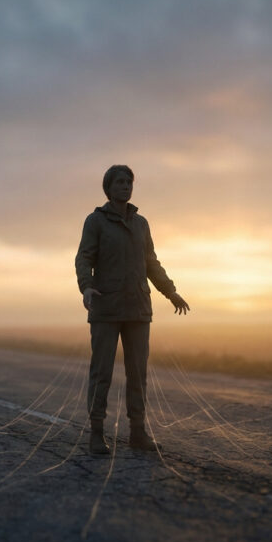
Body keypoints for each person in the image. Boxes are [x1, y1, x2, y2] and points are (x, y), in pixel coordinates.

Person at [75, 164, 190, 455]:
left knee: (138, 373)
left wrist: (171, 292)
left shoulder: (141, 224)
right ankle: (97, 433)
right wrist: (86, 286)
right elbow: (84, 257)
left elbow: (151, 262)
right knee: (101, 372)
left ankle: (137, 432)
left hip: (138, 308)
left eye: (129, 182)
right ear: (108, 187)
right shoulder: (95, 221)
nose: (126, 186)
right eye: (120, 182)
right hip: (106, 307)